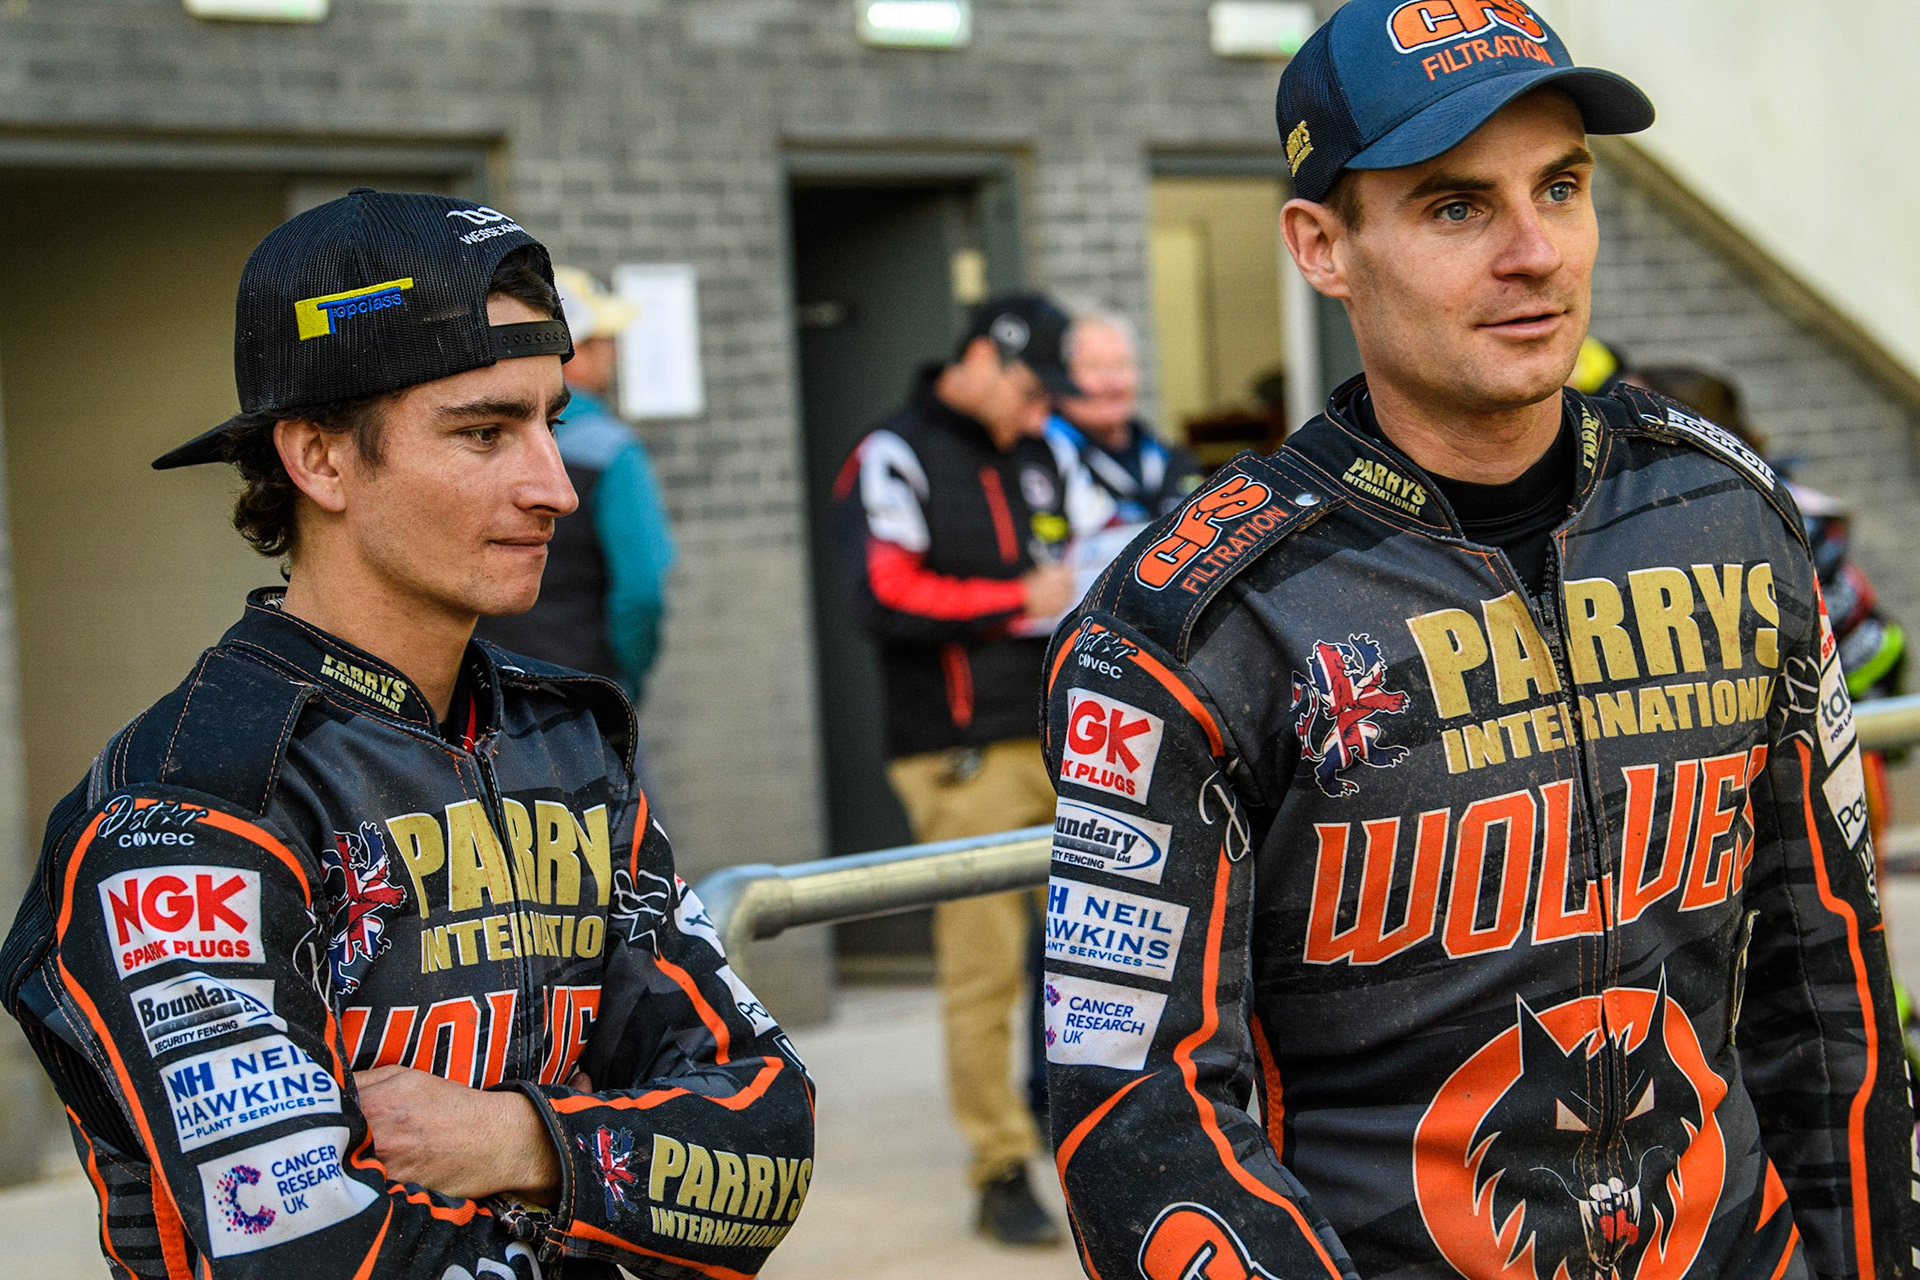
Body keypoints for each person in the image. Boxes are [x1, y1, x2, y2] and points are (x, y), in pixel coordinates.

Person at [1041, 5, 1917, 1280]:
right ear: (1322, 246)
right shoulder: (1196, 619)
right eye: (1457, 207)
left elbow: (1825, 985)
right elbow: (1141, 1117)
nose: (1535, 253)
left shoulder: (1727, 514)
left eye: (1561, 188)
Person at [0, 190, 813, 1280]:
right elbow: (307, 1250)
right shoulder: (188, 806)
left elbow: (769, 1138)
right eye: (484, 431)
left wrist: (524, 1142)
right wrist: (619, 1175)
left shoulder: (568, 741)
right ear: (320, 460)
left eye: (549, 422)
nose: (554, 486)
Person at [834, 294, 1078, 1245]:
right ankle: (999, 1165)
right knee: (984, 970)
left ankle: (1081, 1124)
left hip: (1062, 733)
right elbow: (882, 592)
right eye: (1030, 390)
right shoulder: (894, 450)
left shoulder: (1037, 448)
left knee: (1104, 950)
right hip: (960, 750)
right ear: (980, 357)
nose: (1040, 412)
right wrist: (1014, 596)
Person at [476, 267, 676, 710]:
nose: (615, 356)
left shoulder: (468, 437)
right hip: (580, 692)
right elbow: (642, 591)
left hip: (480, 691)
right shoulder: (612, 450)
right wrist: (626, 680)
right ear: (574, 348)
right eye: (606, 342)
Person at [1046, 305, 1207, 539]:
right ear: (1061, 380)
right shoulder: (1046, 459)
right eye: (1094, 367)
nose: (1112, 382)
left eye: (1121, 365)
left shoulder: (1171, 458)